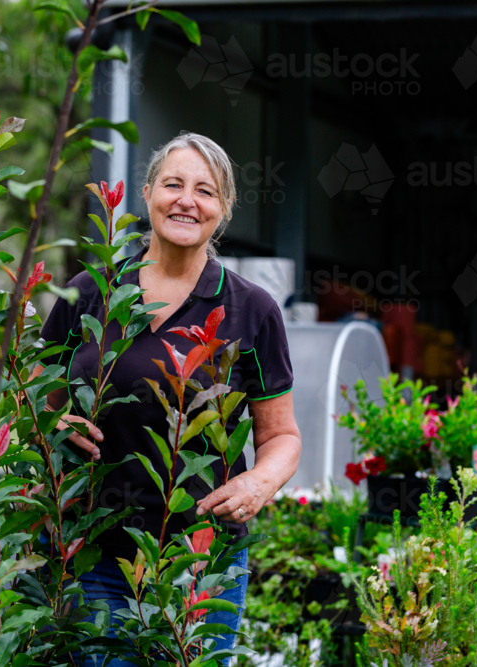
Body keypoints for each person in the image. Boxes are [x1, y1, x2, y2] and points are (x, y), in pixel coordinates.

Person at [37, 132, 302, 665]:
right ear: (147, 193)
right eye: (173, 184)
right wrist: (54, 424)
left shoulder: (252, 311)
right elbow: (36, 397)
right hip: (92, 550)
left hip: (201, 559)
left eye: (205, 191)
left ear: (223, 210)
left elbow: (282, 436)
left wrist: (259, 481)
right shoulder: (92, 291)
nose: (187, 200)